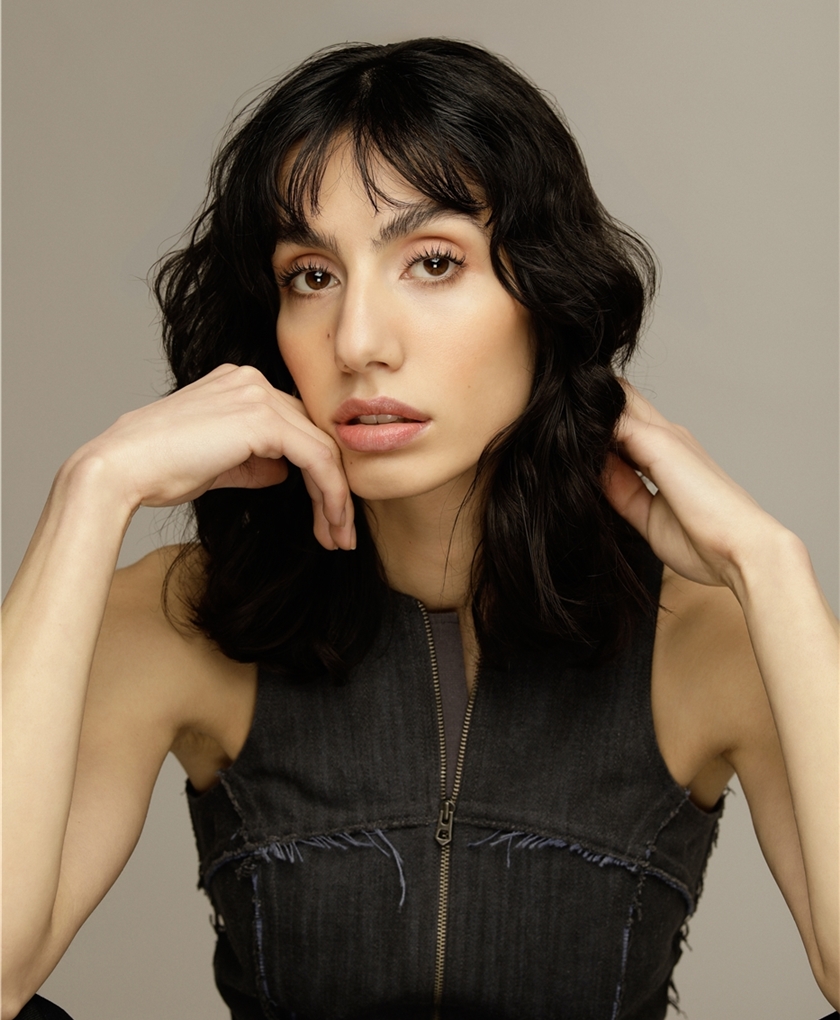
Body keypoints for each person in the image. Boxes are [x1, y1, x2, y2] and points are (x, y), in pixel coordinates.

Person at [2, 37, 837, 1020]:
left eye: (433, 262)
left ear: (544, 296)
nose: (359, 342)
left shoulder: (711, 636)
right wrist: (89, 494)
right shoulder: (180, 617)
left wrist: (770, 568)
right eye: (311, 276)